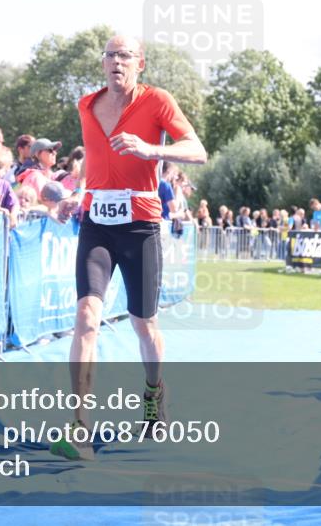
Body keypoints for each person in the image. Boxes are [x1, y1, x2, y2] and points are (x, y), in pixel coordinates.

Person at [50, 35, 206, 461]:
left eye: (125, 56)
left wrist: (152, 149)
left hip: (140, 228)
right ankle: (79, 425)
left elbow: (198, 150)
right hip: (96, 225)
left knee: (144, 324)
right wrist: (74, 196)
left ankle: (155, 392)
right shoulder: (86, 105)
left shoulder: (157, 101)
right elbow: (97, 167)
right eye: (110, 55)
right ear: (102, 64)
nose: (116, 62)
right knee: (86, 318)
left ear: (140, 63)